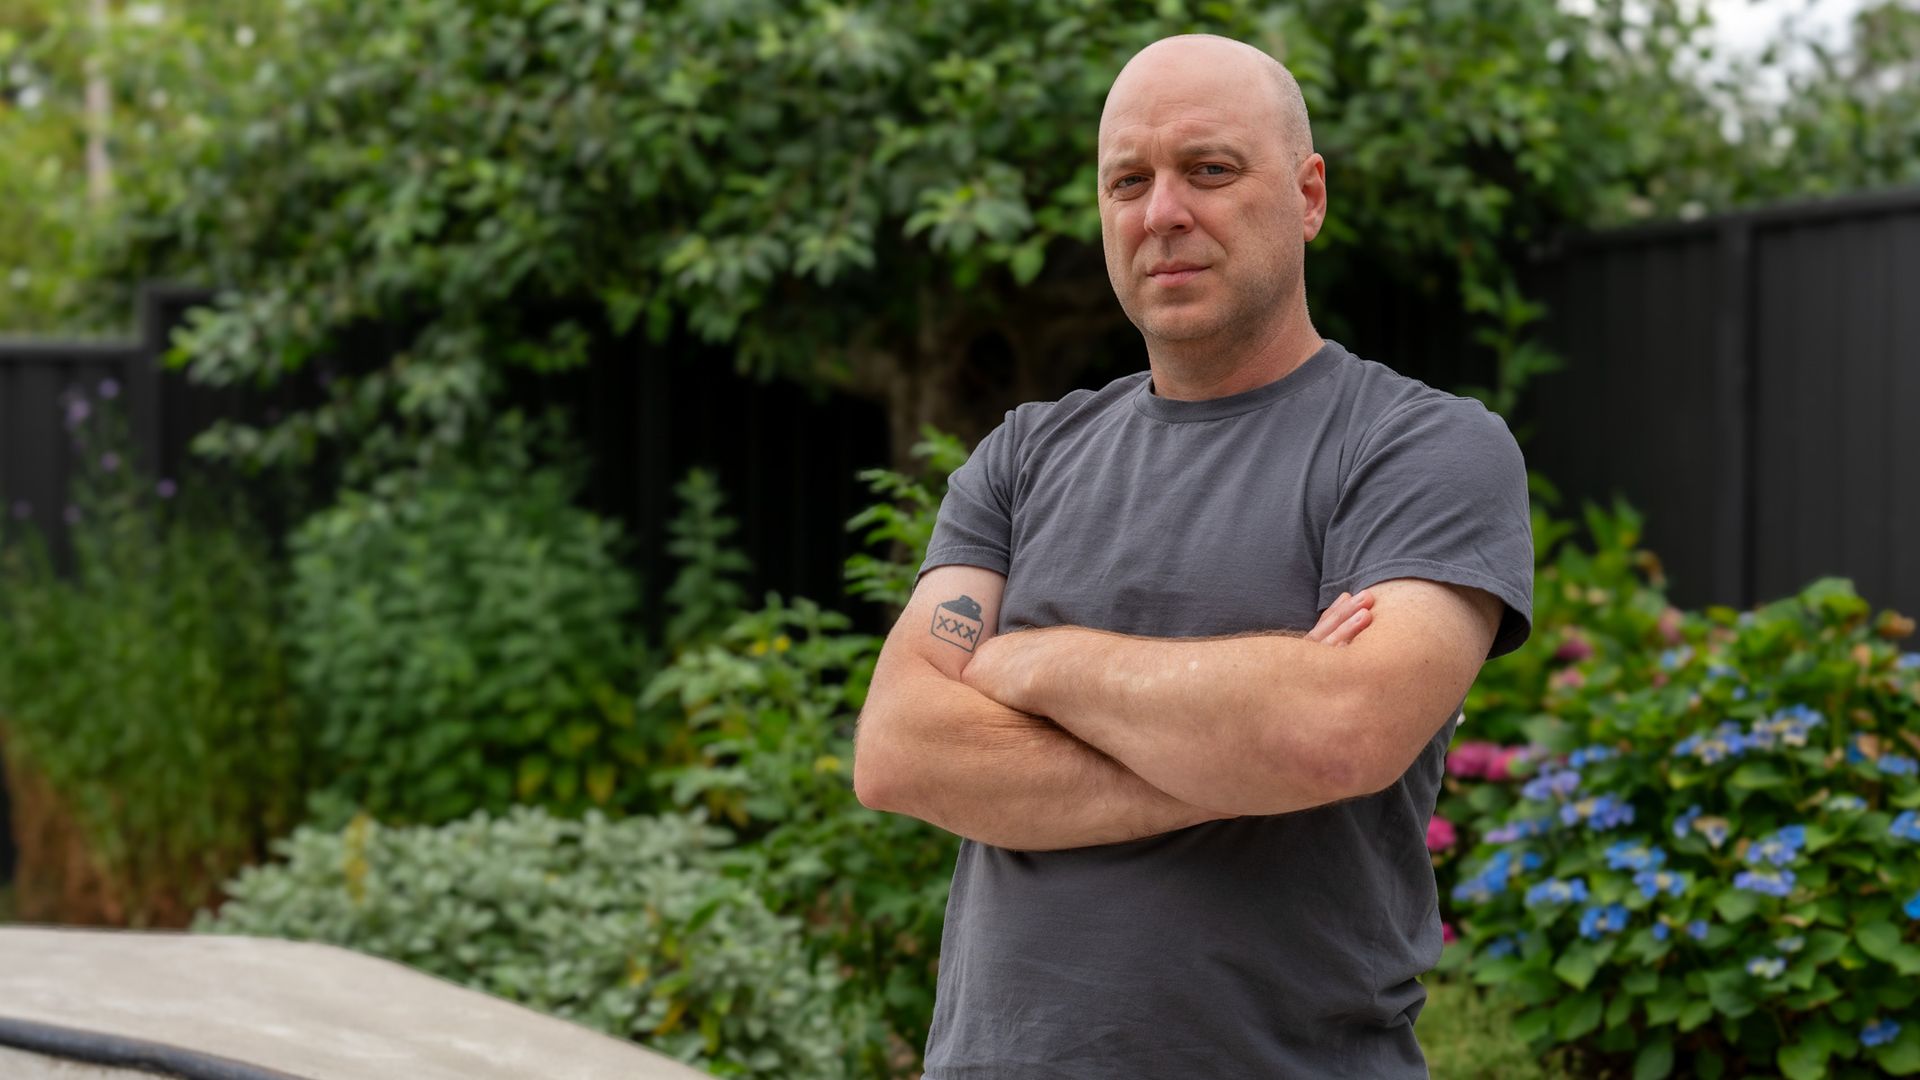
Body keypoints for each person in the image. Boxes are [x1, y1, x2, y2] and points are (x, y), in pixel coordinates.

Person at [852, 32, 1534, 1079]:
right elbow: (901, 750)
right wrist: (1239, 748)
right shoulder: (1025, 455)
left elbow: (1335, 732)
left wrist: (1035, 664)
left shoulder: (1421, 446)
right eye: (1129, 180)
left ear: (1308, 195)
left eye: (1209, 170)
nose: (1162, 211)